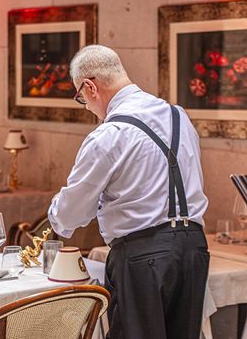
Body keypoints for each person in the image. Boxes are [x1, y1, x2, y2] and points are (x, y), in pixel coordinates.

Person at [47, 45, 209, 339]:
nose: (87, 107)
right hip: (194, 250)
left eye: (81, 99)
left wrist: (55, 212)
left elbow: (72, 214)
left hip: (142, 256)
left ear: (90, 87)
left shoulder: (109, 135)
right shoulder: (179, 117)